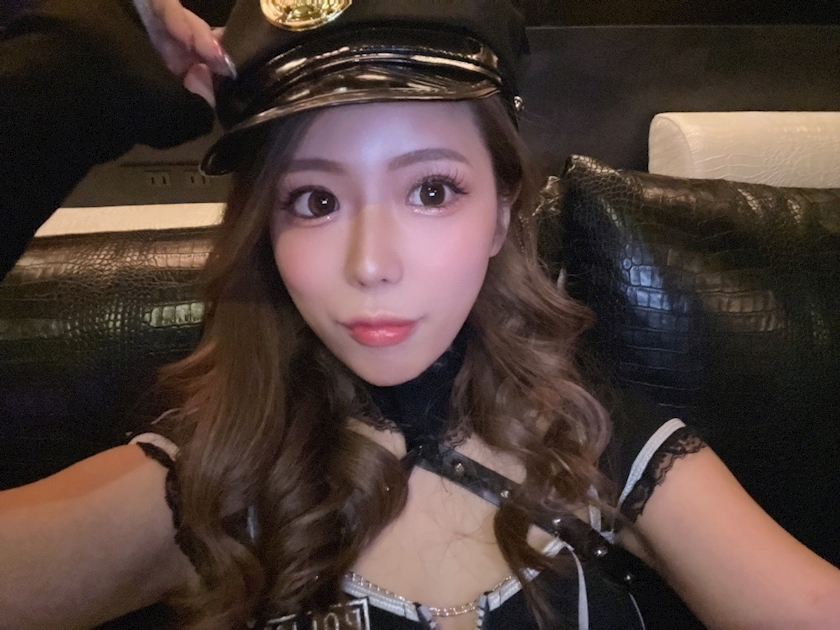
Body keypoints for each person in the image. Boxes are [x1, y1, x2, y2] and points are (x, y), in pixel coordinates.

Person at [1, 1, 839, 629]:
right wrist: (53, 90)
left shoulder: (604, 446)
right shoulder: (206, 488)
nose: (371, 263)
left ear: (502, 211)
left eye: (432, 190)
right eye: (316, 200)